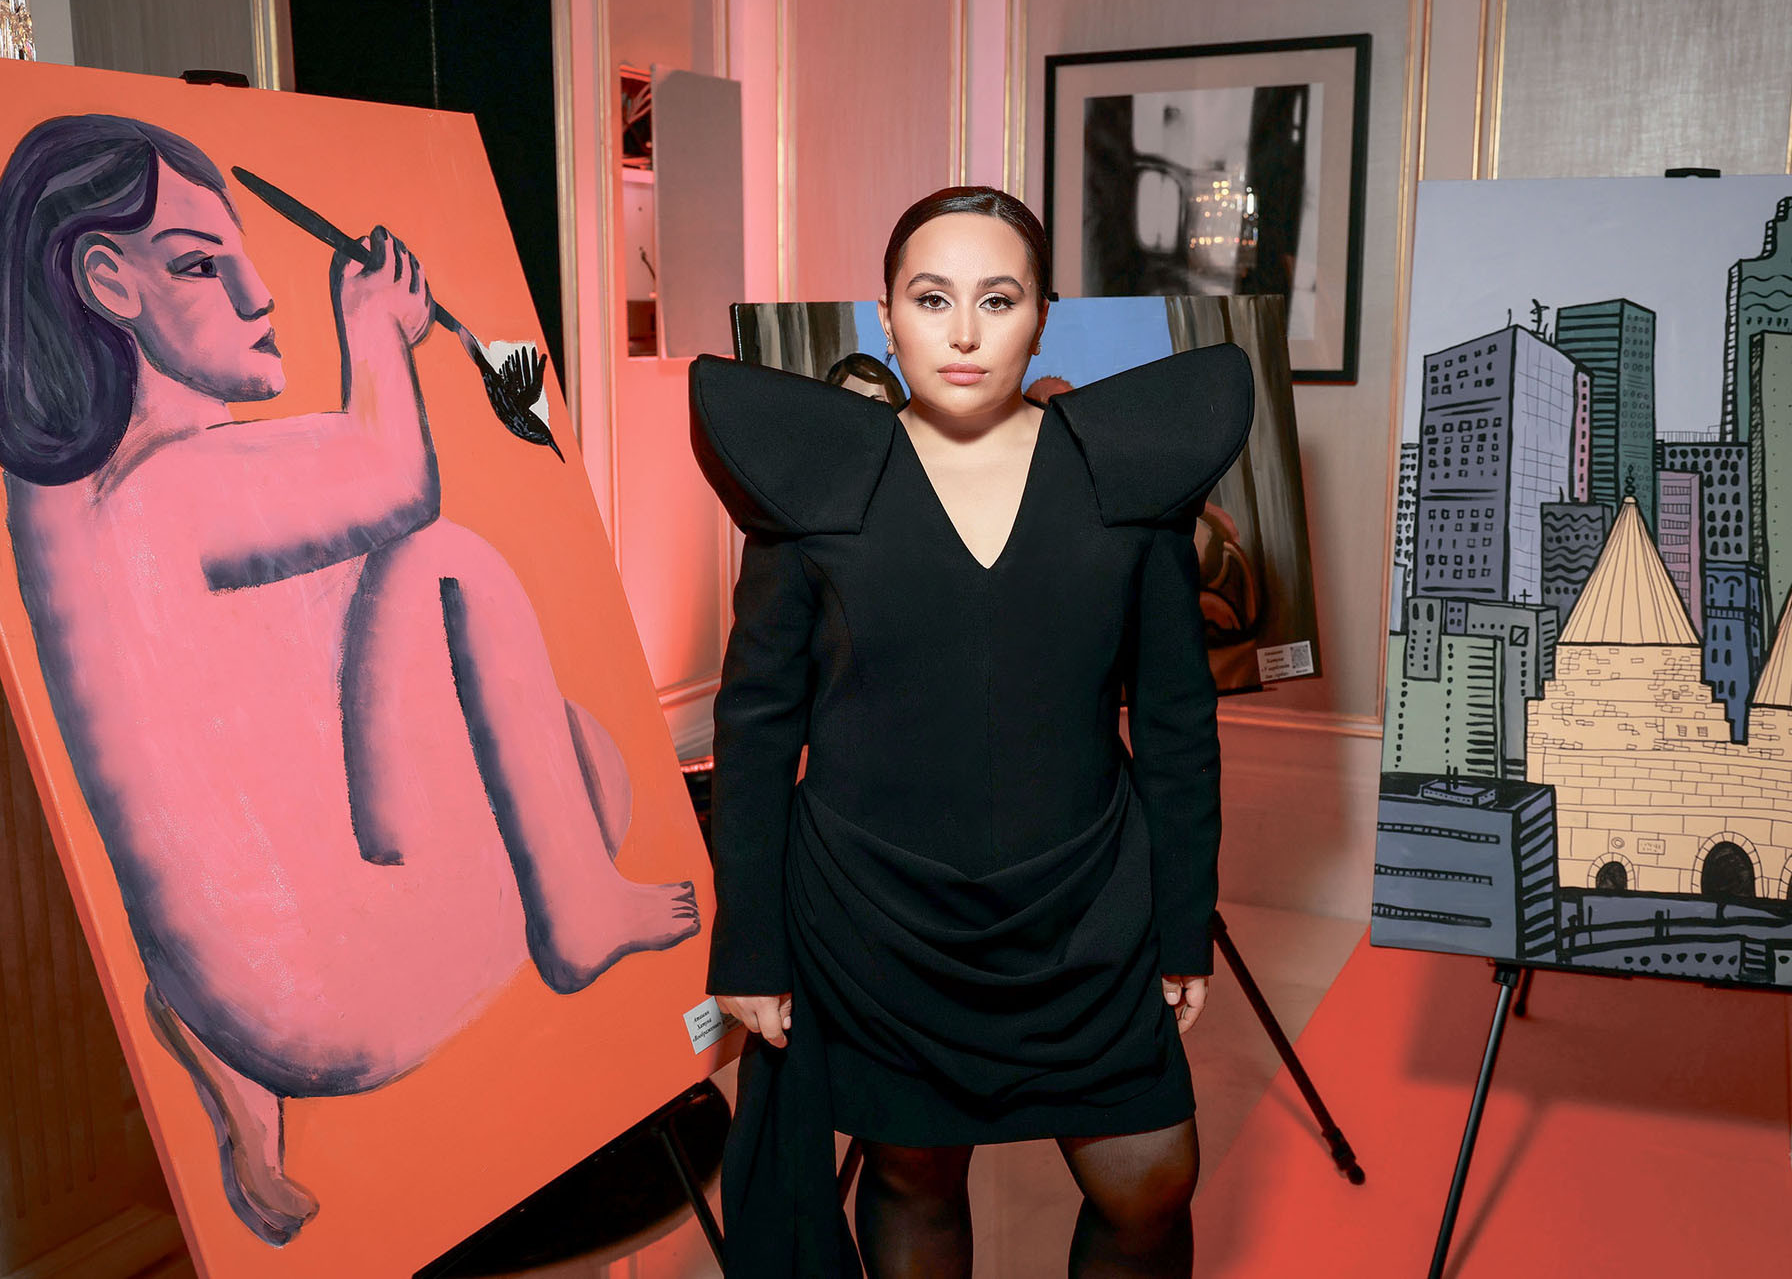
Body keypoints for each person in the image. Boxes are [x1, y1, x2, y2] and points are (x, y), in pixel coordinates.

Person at [0, 114, 700, 1245]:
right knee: (459, 584)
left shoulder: (64, 506)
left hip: (233, 978)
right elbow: (395, 477)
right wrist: (373, 330)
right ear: (106, 281)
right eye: (200, 266)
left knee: (538, 724)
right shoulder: (168, 498)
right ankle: (578, 913)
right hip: (346, 999)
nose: (256, 293)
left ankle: (220, 1040)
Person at [689, 185, 1254, 1276]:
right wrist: (747, 939)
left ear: (1041, 316)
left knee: (1149, 1178)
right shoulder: (817, 478)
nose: (961, 333)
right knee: (914, 1177)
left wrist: (1183, 918)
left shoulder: (1122, 474)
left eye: (996, 299)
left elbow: (1178, 724)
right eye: (930, 298)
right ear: (886, 316)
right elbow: (754, 727)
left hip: (1085, 908)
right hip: (877, 914)